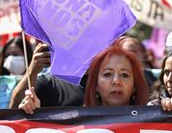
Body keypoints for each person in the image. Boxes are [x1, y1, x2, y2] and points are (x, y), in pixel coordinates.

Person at [19, 46, 149, 114]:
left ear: (135, 86)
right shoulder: (78, 124)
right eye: (107, 74)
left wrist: (168, 108)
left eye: (125, 75)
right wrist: (33, 116)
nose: (116, 81)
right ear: (95, 85)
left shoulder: (152, 121)